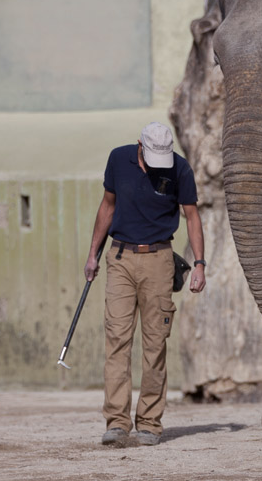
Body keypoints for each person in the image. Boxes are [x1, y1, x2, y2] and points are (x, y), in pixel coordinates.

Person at [84, 121, 206, 447]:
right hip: (120, 258)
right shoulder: (118, 159)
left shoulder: (180, 169)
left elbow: (192, 215)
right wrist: (93, 254)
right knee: (117, 342)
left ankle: (150, 423)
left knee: (155, 346)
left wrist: (199, 264)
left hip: (159, 260)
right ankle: (117, 423)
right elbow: (107, 206)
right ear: (140, 146)